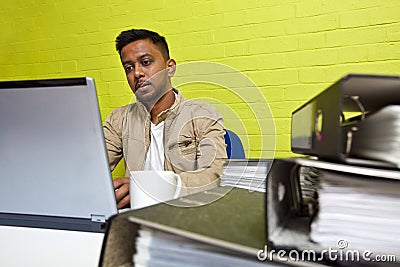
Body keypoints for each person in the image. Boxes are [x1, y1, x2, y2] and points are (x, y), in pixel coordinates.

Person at [103, 29, 227, 209]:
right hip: (133, 217)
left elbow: (214, 176)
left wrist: (145, 188)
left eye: (146, 62)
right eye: (128, 67)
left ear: (170, 68)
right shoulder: (119, 119)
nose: (137, 73)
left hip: (183, 214)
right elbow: (90, 171)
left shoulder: (203, 115)